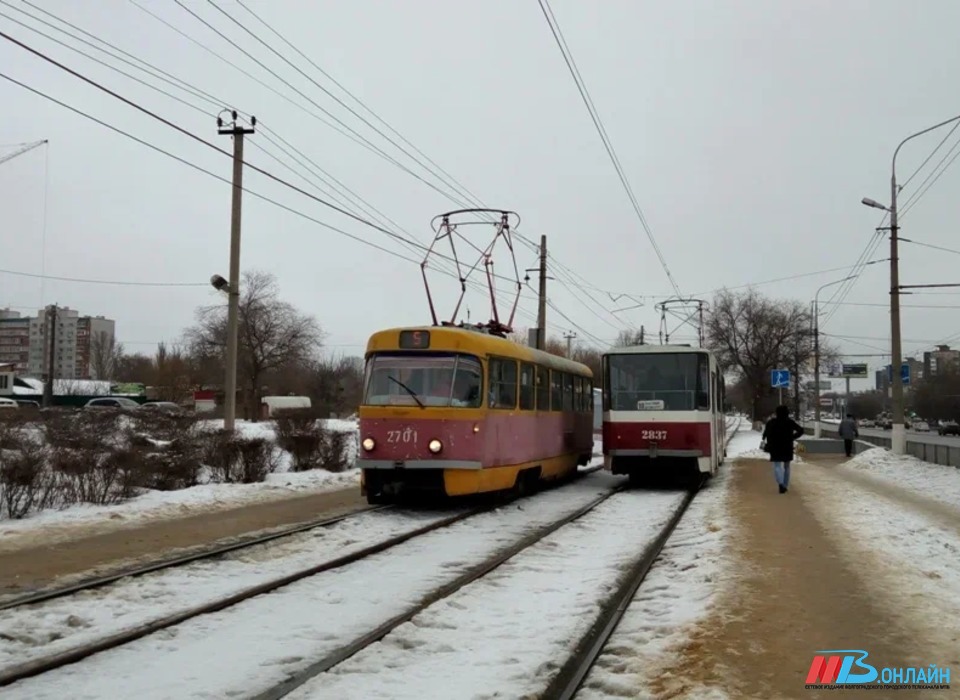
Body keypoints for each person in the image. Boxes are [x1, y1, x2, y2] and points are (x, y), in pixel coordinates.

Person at [762, 405, 805, 493]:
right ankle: (785, 485)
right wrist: (792, 437)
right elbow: (801, 430)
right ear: (787, 413)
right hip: (787, 446)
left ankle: (780, 484)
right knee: (787, 466)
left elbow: (765, 434)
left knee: (777, 465)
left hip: (775, 447)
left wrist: (767, 439)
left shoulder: (771, 422)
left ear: (777, 412)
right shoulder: (789, 422)